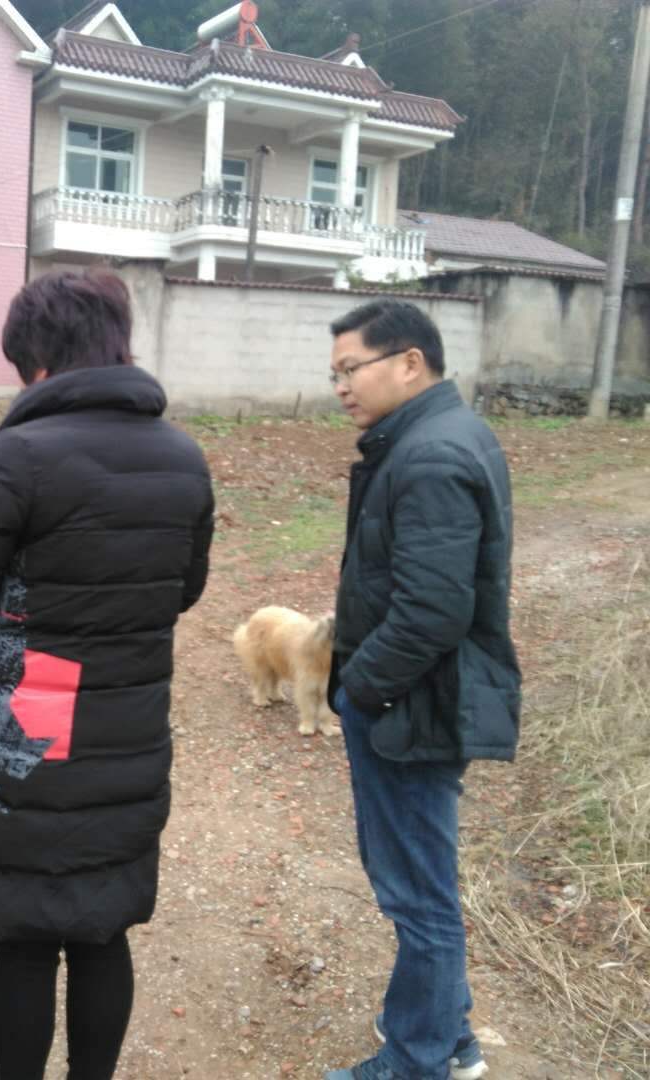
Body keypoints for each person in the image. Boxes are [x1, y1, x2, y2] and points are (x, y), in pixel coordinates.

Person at [0, 270, 215, 1080]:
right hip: (129, 719)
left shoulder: (22, 451)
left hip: (37, 712)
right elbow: (184, 589)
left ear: (44, 358)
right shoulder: (182, 455)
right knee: (102, 923)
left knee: (24, 932)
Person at [323, 300, 519, 1080]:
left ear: (409, 362)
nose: (340, 386)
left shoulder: (431, 455)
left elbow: (434, 610)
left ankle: (418, 1061)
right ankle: (449, 1034)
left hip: (411, 708)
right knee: (419, 882)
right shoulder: (426, 439)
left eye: (350, 369)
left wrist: (357, 691)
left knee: (418, 896)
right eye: (333, 373)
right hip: (413, 701)